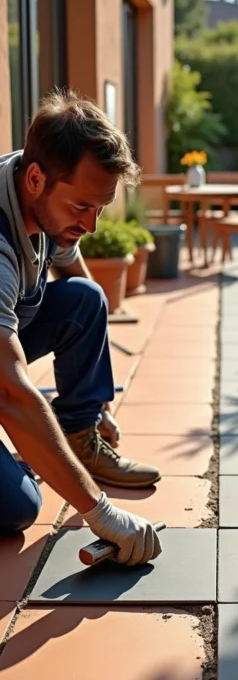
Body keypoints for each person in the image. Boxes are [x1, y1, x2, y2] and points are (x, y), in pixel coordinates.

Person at [0, 89, 161, 565]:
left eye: (100, 208)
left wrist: (95, 404)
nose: (90, 226)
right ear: (36, 179)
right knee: (19, 505)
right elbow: (10, 394)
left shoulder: (40, 190)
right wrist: (101, 511)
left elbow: (83, 289)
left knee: (87, 300)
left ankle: (73, 439)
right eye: (81, 209)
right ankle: (39, 453)